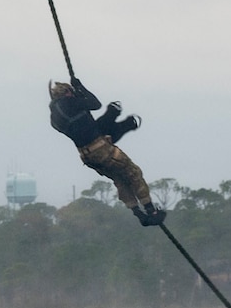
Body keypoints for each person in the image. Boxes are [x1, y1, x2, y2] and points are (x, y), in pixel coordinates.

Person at [48, 77, 163, 224]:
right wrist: (81, 87)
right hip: (101, 150)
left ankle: (139, 214)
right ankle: (151, 210)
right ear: (68, 93)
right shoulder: (69, 103)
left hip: (87, 156)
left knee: (120, 179)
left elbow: (85, 126)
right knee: (133, 172)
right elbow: (95, 104)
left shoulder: (54, 118)